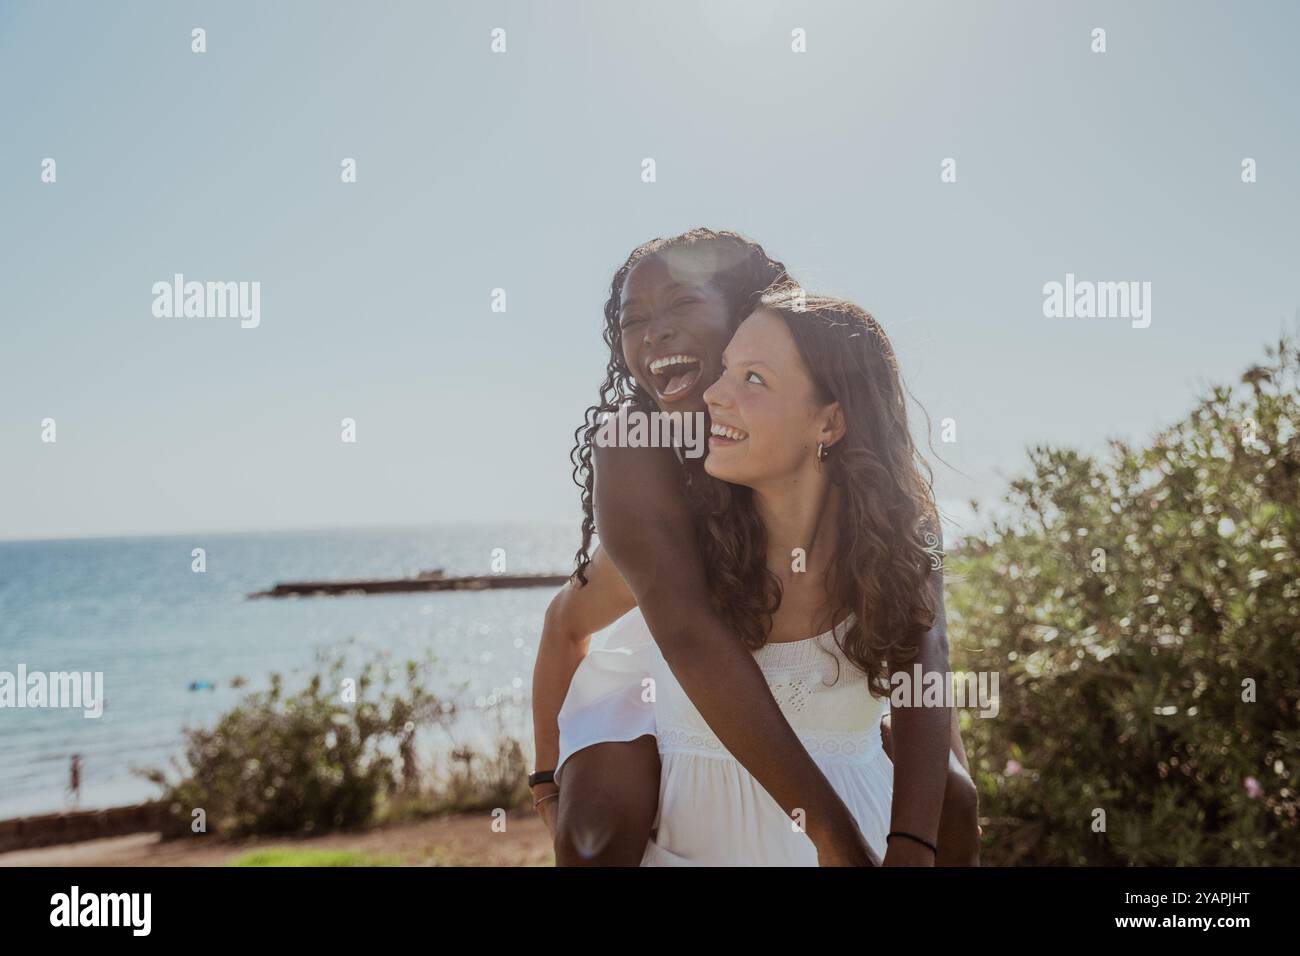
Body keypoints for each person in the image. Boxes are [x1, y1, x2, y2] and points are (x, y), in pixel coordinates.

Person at [529, 229, 979, 865]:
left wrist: (937, 791)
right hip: (664, 657)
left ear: (745, 317)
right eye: (635, 320)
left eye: (683, 305)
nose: (655, 332)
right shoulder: (636, 445)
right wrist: (545, 777)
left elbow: (923, 636)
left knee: (954, 802)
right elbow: (680, 628)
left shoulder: (839, 456)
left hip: (780, 651)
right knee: (595, 830)